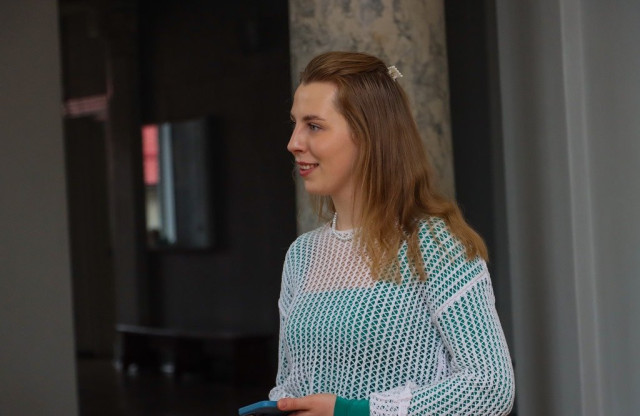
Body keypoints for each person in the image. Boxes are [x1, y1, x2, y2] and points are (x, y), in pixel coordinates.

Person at [268, 51, 515, 416]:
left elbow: (490, 386)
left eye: (314, 126)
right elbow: (288, 384)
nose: (293, 142)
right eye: (294, 124)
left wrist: (356, 412)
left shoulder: (433, 244)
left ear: (369, 135)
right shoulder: (301, 254)